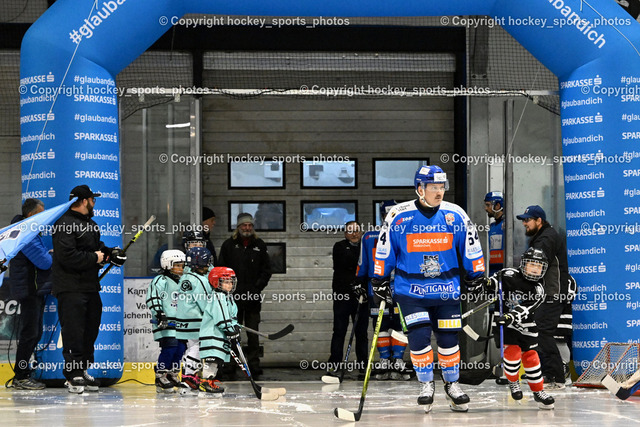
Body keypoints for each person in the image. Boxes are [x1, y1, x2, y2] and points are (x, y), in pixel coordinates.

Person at [372, 165, 486, 413]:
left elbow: (471, 245)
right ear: (419, 189)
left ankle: (452, 385)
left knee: (448, 339)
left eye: (442, 187)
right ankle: (426, 384)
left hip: (447, 291)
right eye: (433, 187)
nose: (439, 192)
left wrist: (476, 275)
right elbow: (385, 248)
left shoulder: (455, 214)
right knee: (419, 337)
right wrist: (379, 279)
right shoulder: (399, 215)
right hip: (411, 292)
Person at [52, 185, 127, 393]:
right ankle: (72, 374)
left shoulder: (90, 225)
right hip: (70, 288)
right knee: (74, 331)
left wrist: (111, 254)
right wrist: (95, 258)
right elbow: (67, 256)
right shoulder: (64, 224)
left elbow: (96, 248)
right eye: (93, 199)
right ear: (85, 201)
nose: (95, 203)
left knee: (90, 329)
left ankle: (83, 369)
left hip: (90, 286)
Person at [483, 247, 555, 409]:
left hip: (526, 325)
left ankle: (538, 391)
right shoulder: (508, 274)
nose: (535, 269)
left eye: (539, 266)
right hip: (506, 325)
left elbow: (526, 309)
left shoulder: (538, 289)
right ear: (524, 264)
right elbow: (494, 283)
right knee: (513, 352)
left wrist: (511, 316)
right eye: (532, 265)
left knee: (531, 357)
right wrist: (488, 283)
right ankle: (513, 381)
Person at [353, 201, 411, 381]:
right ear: (382, 215)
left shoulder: (408, 233)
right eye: (387, 214)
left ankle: (398, 360)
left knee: (400, 324)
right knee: (381, 324)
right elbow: (363, 263)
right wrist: (358, 282)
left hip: (401, 287)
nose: (390, 217)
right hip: (377, 289)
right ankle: (385, 360)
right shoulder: (369, 237)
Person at [516, 205, 572, 390]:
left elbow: (535, 265)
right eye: (523, 220)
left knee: (543, 331)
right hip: (548, 292)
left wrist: (515, 280)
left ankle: (557, 377)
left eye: (527, 220)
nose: (524, 223)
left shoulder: (546, 238)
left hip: (553, 293)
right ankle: (549, 374)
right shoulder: (543, 236)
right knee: (540, 331)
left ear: (539, 220)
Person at [218, 213, 271, 378]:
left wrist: (257, 287)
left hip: (253, 298)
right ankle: (230, 365)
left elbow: (266, 270)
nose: (247, 228)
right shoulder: (228, 245)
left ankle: (254, 365)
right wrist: (228, 289)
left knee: (253, 332)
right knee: (232, 332)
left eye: (250, 225)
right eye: (244, 225)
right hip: (233, 298)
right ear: (238, 227)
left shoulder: (259, 245)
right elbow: (221, 269)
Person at [7, 199, 52, 390]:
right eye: (41, 213)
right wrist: (52, 256)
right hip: (29, 289)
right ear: (32, 215)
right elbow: (44, 262)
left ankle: (23, 373)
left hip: (32, 289)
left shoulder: (27, 231)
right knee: (30, 333)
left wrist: (47, 254)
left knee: (34, 332)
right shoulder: (26, 232)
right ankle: (21, 376)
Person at [327, 221, 368, 380]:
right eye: (350, 231)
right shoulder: (339, 246)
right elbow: (347, 263)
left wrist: (363, 286)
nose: (354, 234)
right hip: (343, 296)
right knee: (339, 331)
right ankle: (334, 365)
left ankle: (363, 365)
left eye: (357, 230)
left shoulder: (366, 246)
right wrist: (354, 284)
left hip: (361, 297)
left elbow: (369, 267)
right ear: (345, 233)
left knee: (361, 333)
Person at [146, 249, 186, 393]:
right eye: (177, 265)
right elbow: (153, 297)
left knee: (181, 349)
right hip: (166, 322)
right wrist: (160, 313)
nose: (181, 268)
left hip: (180, 324)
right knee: (170, 347)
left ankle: (172, 374)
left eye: (182, 265)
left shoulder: (183, 282)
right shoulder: (160, 280)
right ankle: (160, 375)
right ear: (167, 264)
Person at [174, 247, 213, 393]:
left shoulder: (185, 277)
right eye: (206, 263)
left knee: (191, 347)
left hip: (183, 320)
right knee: (198, 346)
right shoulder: (200, 280)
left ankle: (188, 375)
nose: (208, 266)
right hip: (196, 320)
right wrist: (214, 316)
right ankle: (188, 376)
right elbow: (205, 303)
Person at [199, 267, 240, 395]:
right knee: (212, 359)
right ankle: (205, 382)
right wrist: (230, 330)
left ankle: (210, 381)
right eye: (226, 282)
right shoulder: (218, 297)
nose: (230, 284)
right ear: (216, 282)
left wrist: (235, 327)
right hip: (212, 335)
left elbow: (232, 316)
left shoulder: (228, 297)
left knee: (217, 360)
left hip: (219, 335)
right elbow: (221, 318)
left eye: (231, 281)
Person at [484, 191, 504, 276]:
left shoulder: (508, 226)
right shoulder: (491, 226)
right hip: (491, 271)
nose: (486, 208)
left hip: (504, 270)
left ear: (497, 206)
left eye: (488, 205)